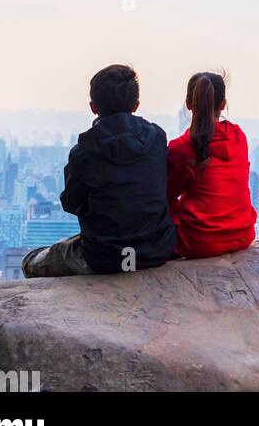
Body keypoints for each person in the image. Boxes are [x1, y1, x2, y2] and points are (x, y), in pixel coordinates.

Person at [22, 64, 176, 277]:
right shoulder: (157, 139)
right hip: (156, 250)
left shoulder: (85, 152)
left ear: (93, 106)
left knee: (31, 262)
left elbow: (71, 203)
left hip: (105, 257)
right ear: (136, 104)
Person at [167, 72, 256, 259]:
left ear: (189, 103)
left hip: (197, 242)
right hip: (242, 235)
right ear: (223, 105)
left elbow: (164, 194)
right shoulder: (238, 137)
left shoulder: (182, 148)